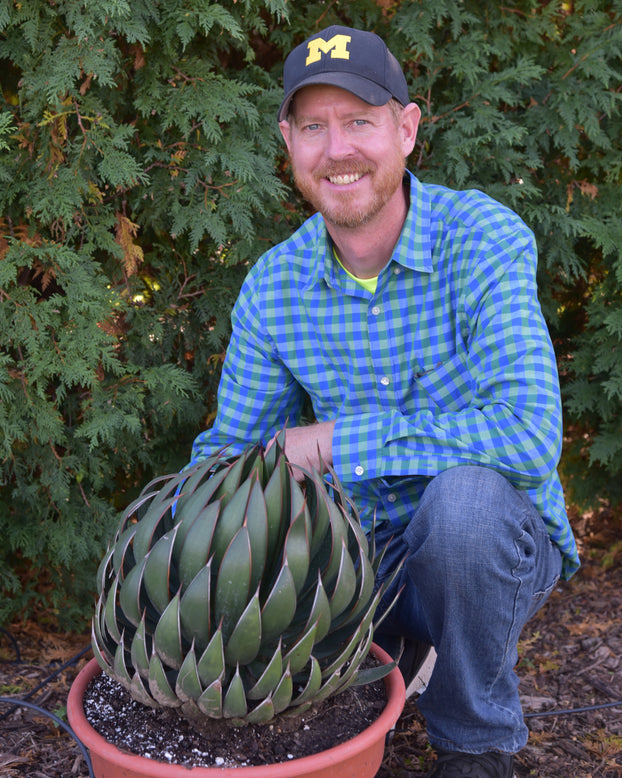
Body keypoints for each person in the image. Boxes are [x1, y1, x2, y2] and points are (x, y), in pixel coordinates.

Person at [189, 24, 580, 778]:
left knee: (462, 509)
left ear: (405, 129)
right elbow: (235, 449)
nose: (337, 150)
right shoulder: (276, 286)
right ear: (288, 142)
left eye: (360, 121)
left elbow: (529, 435)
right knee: (251, 541)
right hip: (352, 557)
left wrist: (336, 443)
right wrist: (178, 536)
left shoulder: (481, 240)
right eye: (314, 127)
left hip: (489, 544)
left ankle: (476, 743)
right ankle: (381, 660)